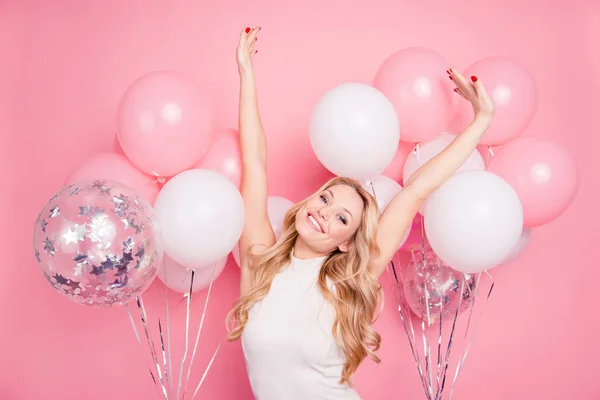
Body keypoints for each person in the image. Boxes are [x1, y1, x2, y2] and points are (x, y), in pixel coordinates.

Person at [227, 26, 495, 400]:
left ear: (344, 244)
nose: (325, 213)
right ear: (309, 201)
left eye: (341, 219)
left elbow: (417, 188)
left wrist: (481, 120)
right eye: (325, 200)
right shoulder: (260, 265)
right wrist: (245, 71)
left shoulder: (350, 281)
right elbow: (255, 162)